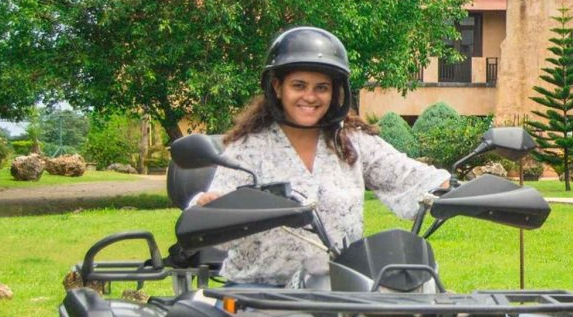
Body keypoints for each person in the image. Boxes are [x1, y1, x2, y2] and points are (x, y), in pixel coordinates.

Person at [190, 26, 449, 285]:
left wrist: (454, 189)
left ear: (335, 91)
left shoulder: (351, 140)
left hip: (339, 292)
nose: (310, 97)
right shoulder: (248, 148)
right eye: (299, 86)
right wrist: (207, 207)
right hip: (258, 296)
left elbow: (407, 175)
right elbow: (210, 219)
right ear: (278, 87)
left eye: (321, 88)